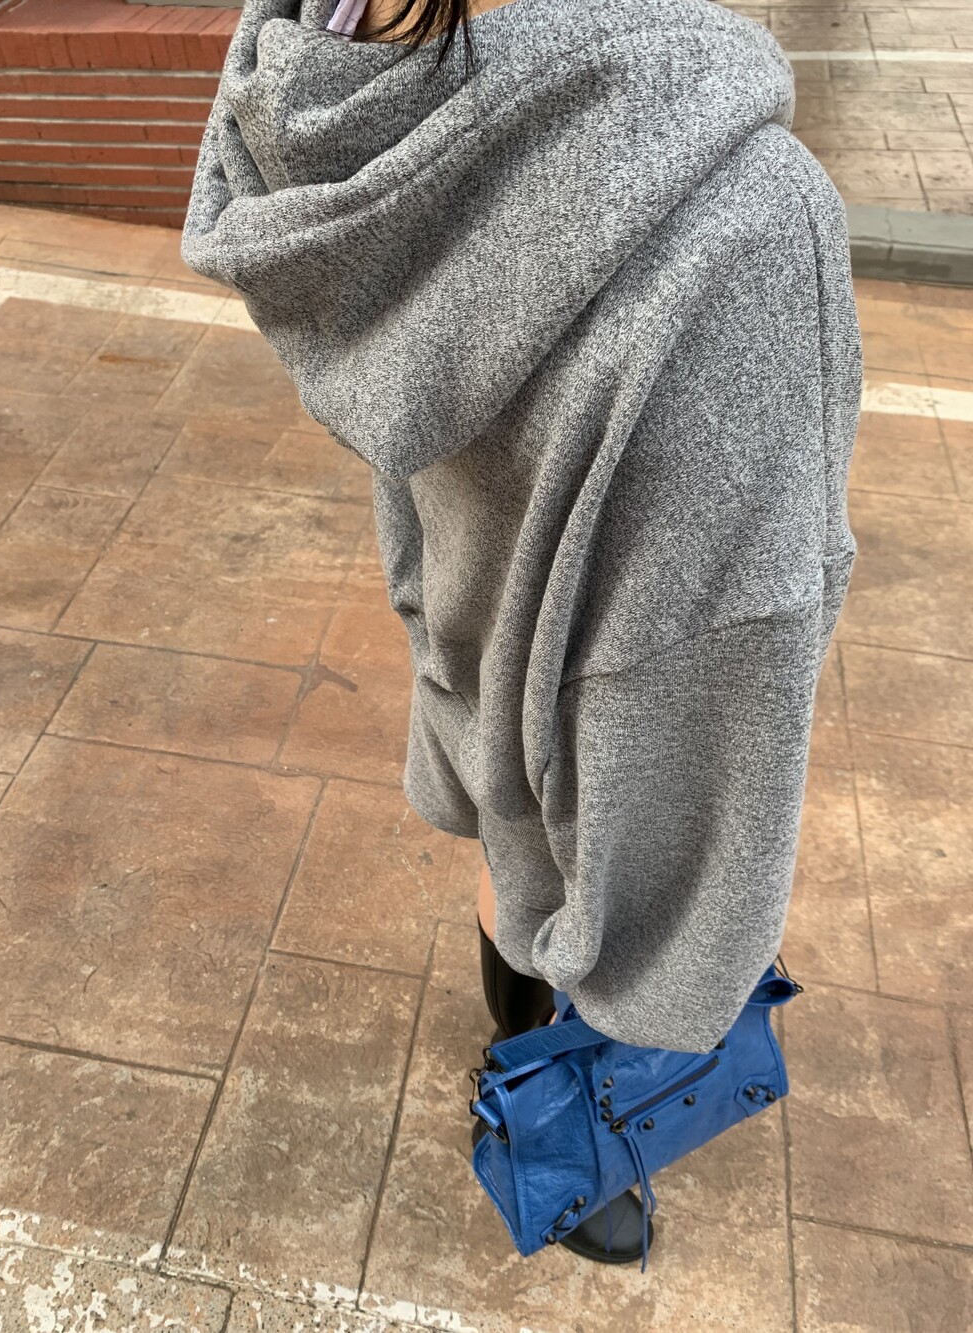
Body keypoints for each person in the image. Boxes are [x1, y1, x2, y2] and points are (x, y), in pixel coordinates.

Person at [180, 0, 862, 1268]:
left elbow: (416, 433)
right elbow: (746, 633)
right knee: (619, 903)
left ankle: (519, 1042)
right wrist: (697, 919)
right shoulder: (751, 211)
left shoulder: (354, 100)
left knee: (514, 857)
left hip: (468, 625)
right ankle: (580, 1124)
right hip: (624, 704)